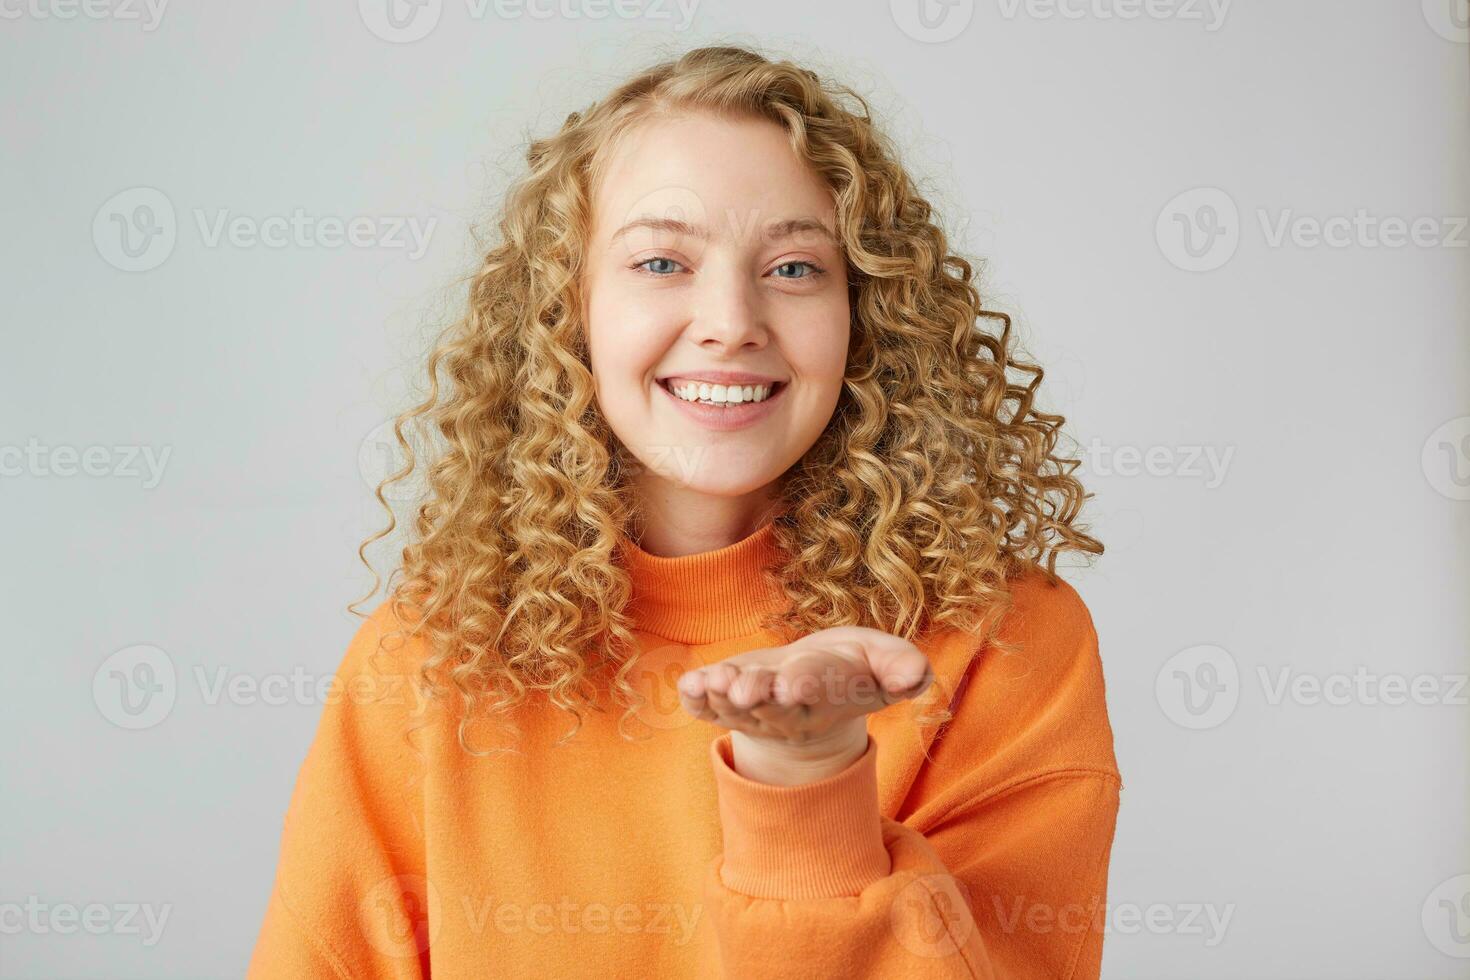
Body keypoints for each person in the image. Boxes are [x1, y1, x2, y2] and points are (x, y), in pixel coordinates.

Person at [247, 43, 1120, 979]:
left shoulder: (1006, 641)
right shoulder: (431, 655)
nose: (730, 318)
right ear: (565, 312)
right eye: (662, 260)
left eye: (794, 269)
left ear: (865, 319)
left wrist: (810, 775)